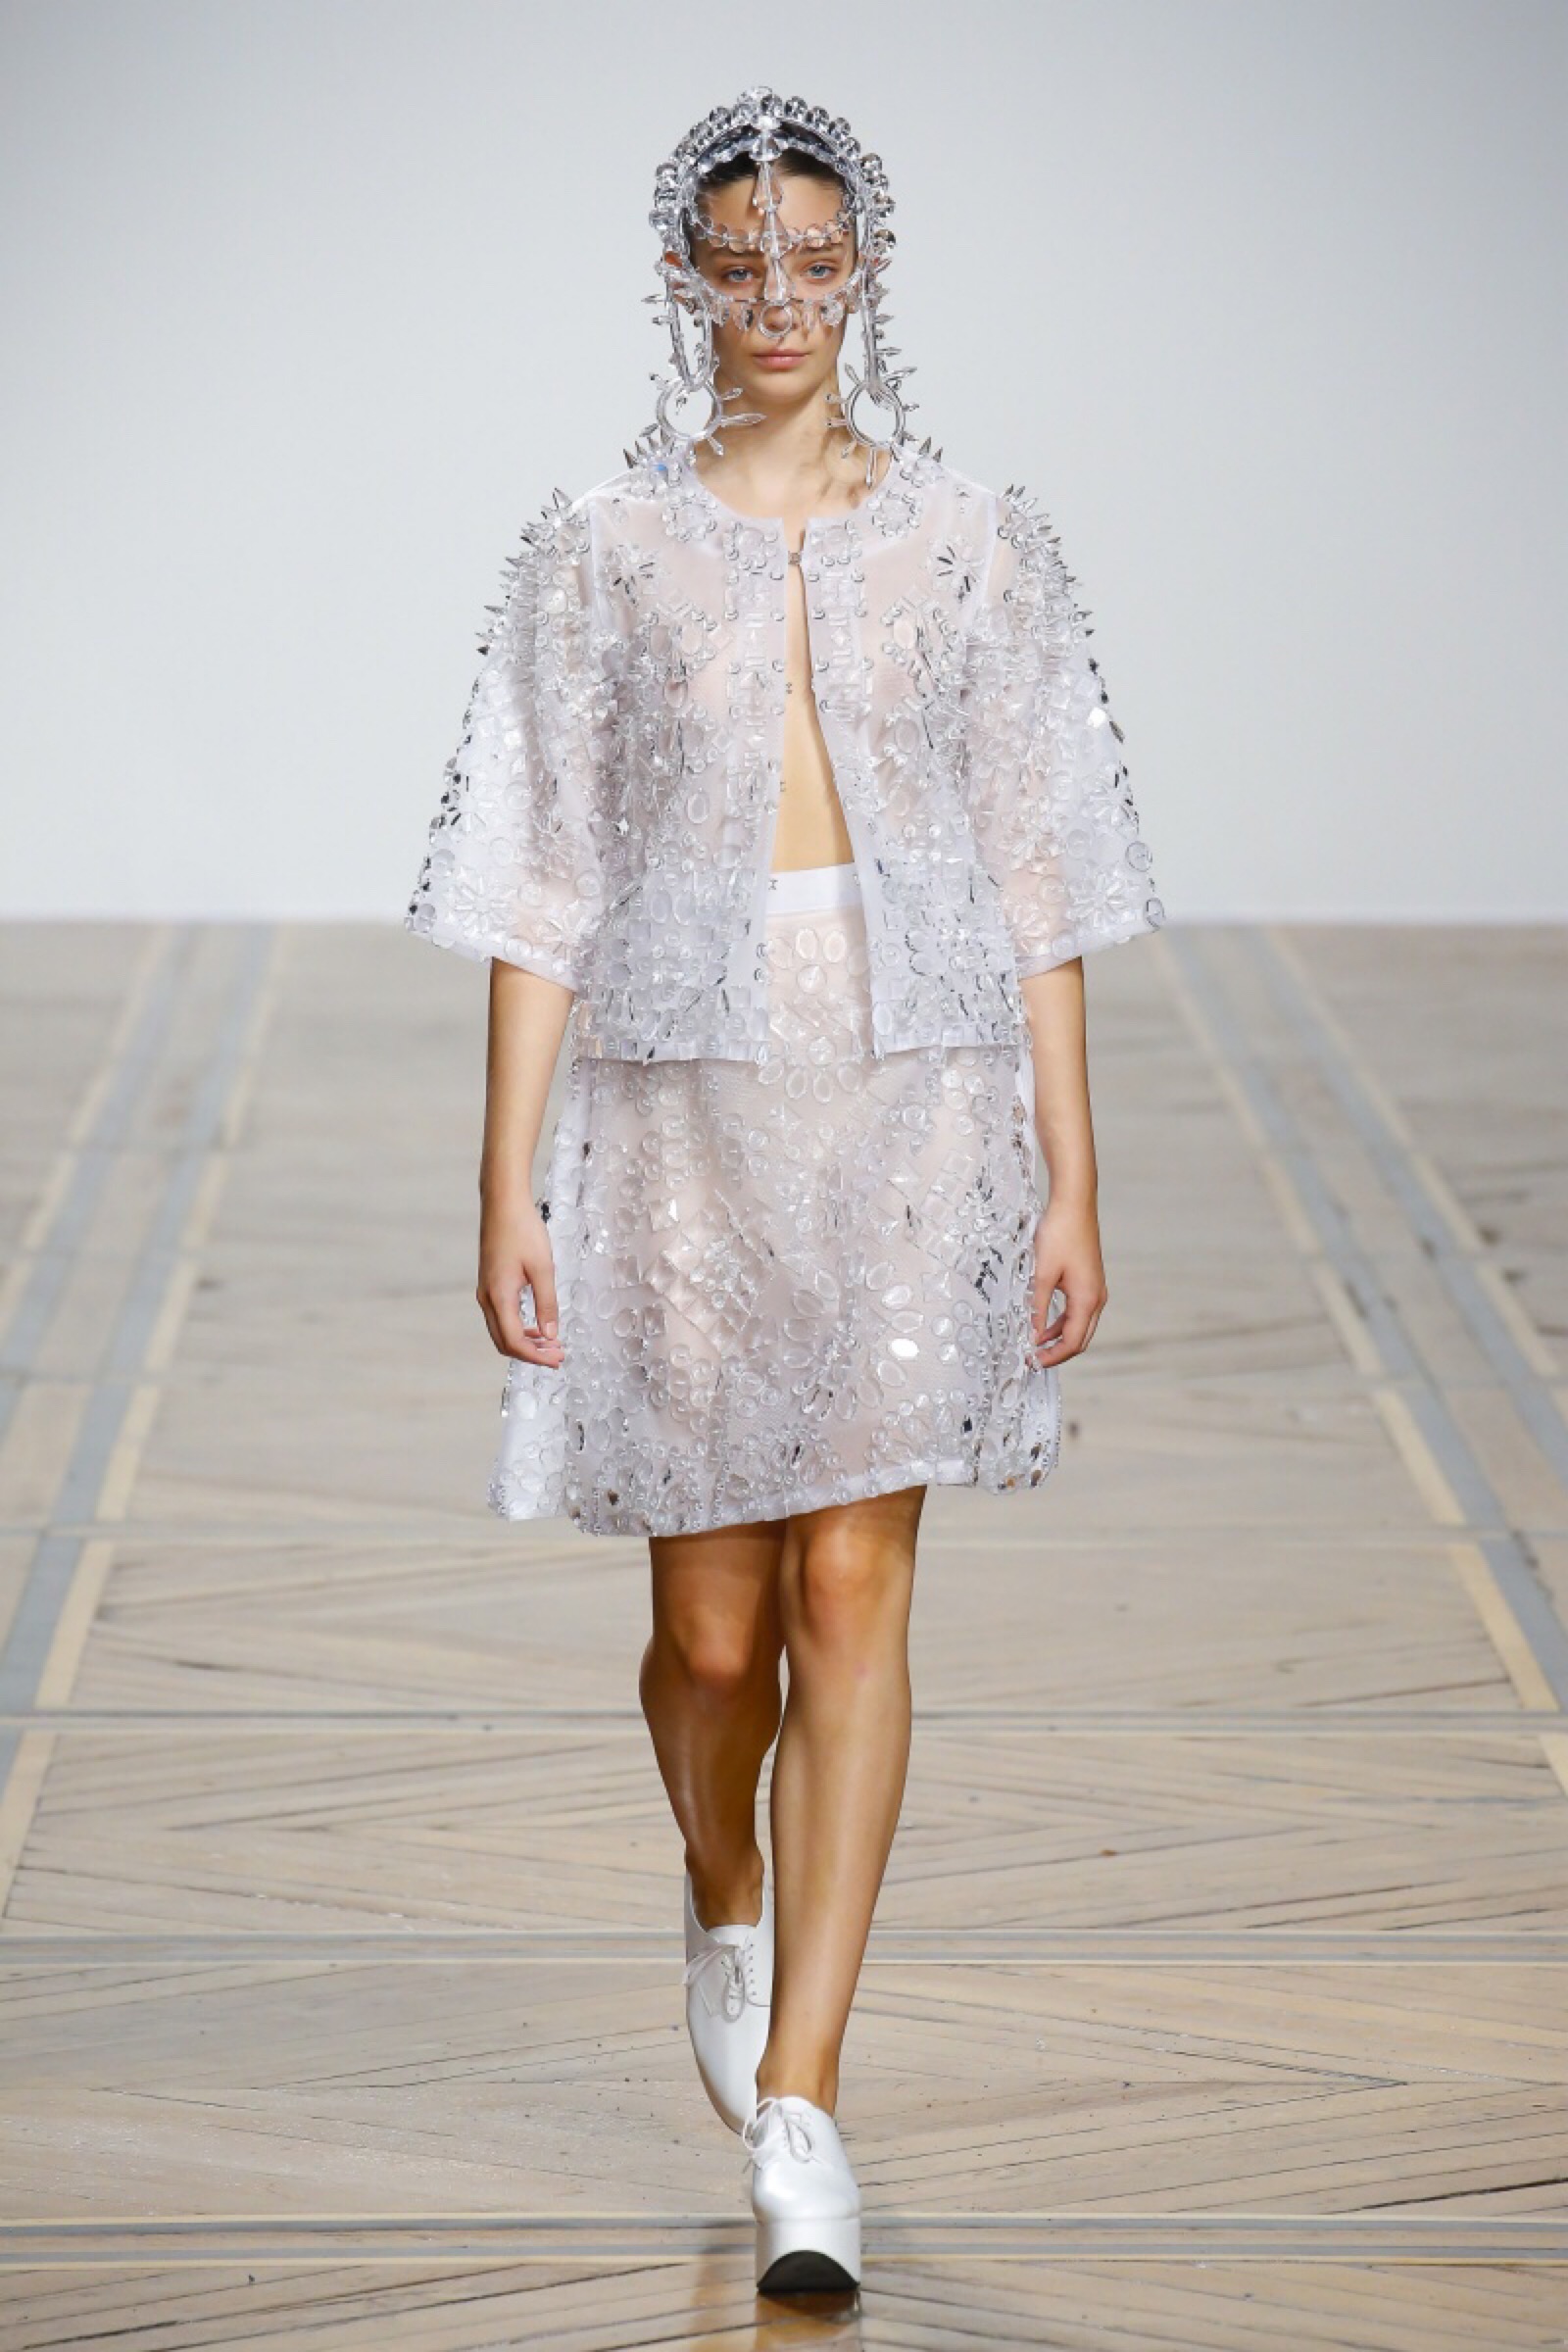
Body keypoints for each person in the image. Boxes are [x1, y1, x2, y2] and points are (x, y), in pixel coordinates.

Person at [405, 85, 1162, 2299]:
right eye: (739, 263)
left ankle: (807, 2110)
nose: (778, 299)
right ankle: (719, 1887)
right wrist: (507, 1183)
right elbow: (537, 874)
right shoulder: (598, 550)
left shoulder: (979, 544)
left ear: (864, 277)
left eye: (813, 262)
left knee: (853, 1589)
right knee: (709, 1636)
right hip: (678, 1108)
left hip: (918, 1094)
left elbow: (1044, 872)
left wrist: (1071, 1176)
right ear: (685, 282)